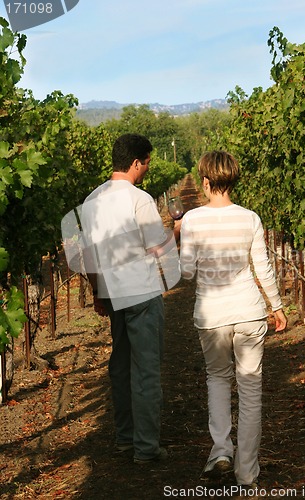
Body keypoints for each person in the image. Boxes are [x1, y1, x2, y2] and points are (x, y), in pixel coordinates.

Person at [179, 150, 287, 487]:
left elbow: (185, 273)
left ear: (206, 181)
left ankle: (221, 451)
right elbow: (263, 267)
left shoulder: (193, 220)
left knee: (218, 378)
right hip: (250, 311)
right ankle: (246, 473)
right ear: (233, 180)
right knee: (251, 388)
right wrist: (277, 306)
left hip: (212, 314)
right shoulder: (250, 218)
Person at [80, 133, 180, 464]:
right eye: (147, 163)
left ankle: (125, 439)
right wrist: (176, 233)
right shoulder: (140, 199)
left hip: (111, 291)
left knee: (120, 366)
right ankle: (147, 448)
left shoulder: (91, 200)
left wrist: (97, 293)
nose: (148, 169)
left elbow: (88, 254)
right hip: (140, 291)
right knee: (146, 370)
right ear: (136, 163)